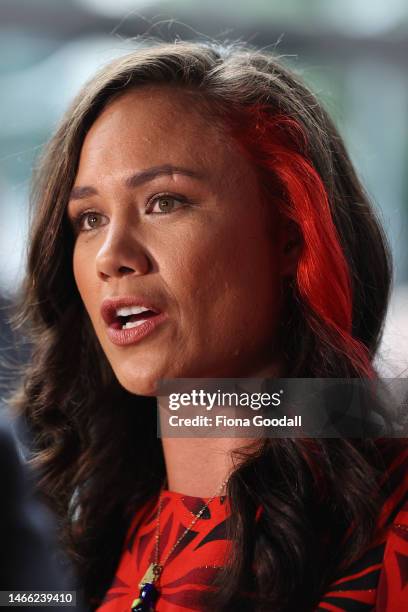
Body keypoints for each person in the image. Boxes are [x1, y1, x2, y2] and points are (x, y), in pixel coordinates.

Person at [10, 41, 407, 611]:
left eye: (165, 201)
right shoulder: (88, 530)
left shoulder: (390, 522)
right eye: (90, 218)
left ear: (293, 237)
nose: (111, 255)